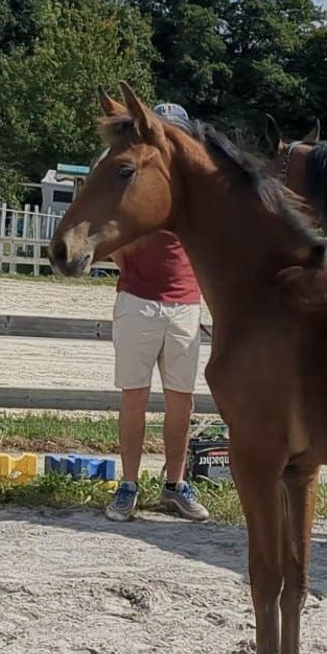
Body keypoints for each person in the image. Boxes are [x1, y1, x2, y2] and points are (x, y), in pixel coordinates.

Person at [104, 103, 210, 522]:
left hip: (185, 302)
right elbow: (111, 231)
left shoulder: (195, 188)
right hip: (137, 300)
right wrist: (127, 265)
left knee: (181, 402)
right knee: (134, 397)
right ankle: (128, 485)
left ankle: (175, 485)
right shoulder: (134, 179)